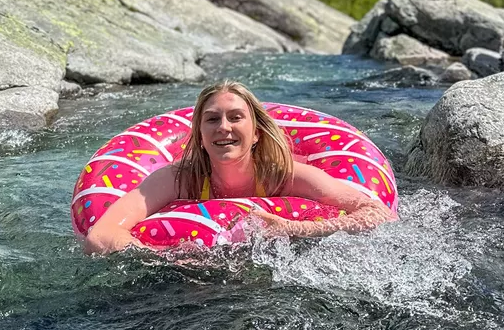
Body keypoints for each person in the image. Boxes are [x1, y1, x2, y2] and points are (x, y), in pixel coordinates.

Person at [85, 81, 395, 254]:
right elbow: (101, 235)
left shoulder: (283, 175)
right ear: (200, 137)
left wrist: (295, 229)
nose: (223, 127)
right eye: (212, 119)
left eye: (235, 117)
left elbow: (379, 213)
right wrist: (163, 257)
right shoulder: (180, 178)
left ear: (257, 132)